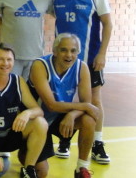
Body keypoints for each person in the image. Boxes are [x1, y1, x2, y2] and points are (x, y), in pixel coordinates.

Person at [49, 0, 113, 163]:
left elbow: (108, 23)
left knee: (94, 99)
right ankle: (65, 139)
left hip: (89, 57)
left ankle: (98, 142)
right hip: (62, 59)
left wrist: (102, 53)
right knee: (64, 98)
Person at [0, 43, 48, 178]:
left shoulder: (18, 81)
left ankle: (29, 169)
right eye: (1, 59)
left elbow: (38, 110)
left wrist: (26, 113)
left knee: (41, 123)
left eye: (9, 59)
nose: (5, 63)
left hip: (11, 134)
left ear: (13, 61)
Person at [29, 33, 98, 178]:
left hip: (59, 117)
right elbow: (51, 105)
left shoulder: (81, 67)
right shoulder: (40, 65)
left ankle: (81, 169)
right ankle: (26, 158)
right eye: (63, 50)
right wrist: (84, 107)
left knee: (89, 120)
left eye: (73, 51)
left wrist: (72, 114)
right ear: (54, 51)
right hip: (37, 121)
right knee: (41, 171)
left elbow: (86, 103)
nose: (69, 55)